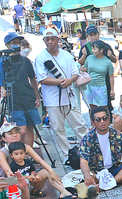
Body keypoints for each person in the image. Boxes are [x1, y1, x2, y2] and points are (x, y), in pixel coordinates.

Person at [35, 28, 88, 159]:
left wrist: (70, 80)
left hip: (69, 96)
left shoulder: (67, 55)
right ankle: (67, 155)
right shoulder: (41, 57)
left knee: (79, 125)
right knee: (58, 129)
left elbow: (75, 72)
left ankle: (88, 150)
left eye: (52, 39)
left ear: (58, 40)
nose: (50, 42)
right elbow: (42, 78)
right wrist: (60, 82)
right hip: (52, 99)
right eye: (47, 39)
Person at [0, 122, 67, 199]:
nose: (15, 135)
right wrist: (26, 178)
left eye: (16, 132)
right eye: (10, 133)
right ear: (4, 138)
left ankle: (64, 191)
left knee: (46, 172)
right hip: (10, 182)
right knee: (19, 185)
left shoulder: (25, 147)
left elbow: (40, 161)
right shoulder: (2, 153)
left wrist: (52, 172)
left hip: (26, 179)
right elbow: (9, 174)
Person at [79, 106, 122, 188]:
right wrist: (87, 175)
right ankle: (117, 180)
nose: (102, 122)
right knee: (88, 175)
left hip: (114, 168)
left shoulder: (117, 135)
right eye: (98, 120)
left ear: (108, 119)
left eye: (104, 118)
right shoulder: (87, 138)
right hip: (97, 172)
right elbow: (83, 159)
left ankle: (110, 183)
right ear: (93, 123)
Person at [80, 40, 115, 111]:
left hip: (101, 87)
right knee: (91, 107)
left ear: (101, 50)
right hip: (89, 86)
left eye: (94, 49)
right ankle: (92, 122)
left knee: (104, 107)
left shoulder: (107, 62)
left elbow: (111, 77)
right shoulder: (89, 58)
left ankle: (106, 120)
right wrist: (80, 68)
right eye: (92, 48)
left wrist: (112, 90)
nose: (92, 50)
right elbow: (85, 69)